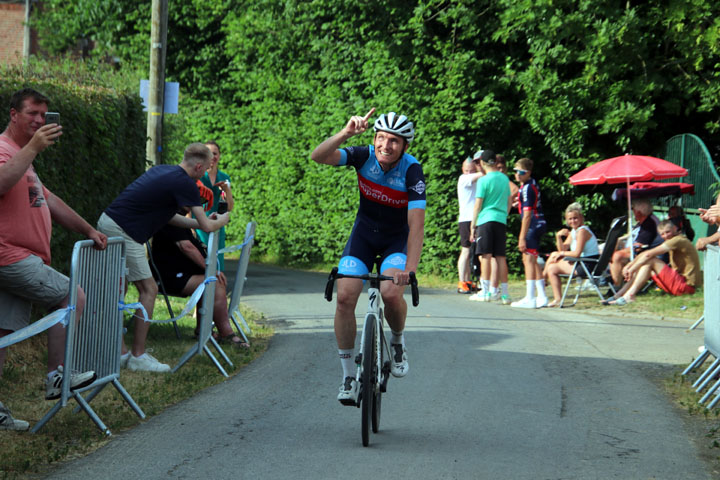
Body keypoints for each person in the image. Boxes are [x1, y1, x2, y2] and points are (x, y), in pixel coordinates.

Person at [310, 109, 425, 405]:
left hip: (395, 240)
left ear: (405, 146)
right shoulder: (363, 155)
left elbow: (416, 224)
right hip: (363, 236)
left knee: (390, 292)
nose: (386, 145)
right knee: (346, 297)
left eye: (394, 141)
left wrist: (409, 269)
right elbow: (318, 156)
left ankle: (397, 341)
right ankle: (349, 376)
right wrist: (346, 133)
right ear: (374, 138)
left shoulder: (412, 171)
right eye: (381, 138)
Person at [0, 88, 106, 403]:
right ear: (13, 114)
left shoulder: (23, 156)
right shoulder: (5, 149)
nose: (39, 120)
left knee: (4, 335)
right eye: (32, 113)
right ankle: (57, 376)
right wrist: (32, 148)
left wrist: (87, 228)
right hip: (10, 256)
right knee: (71, 296)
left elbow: (48, 199)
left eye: (44, 115)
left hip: (19, 257)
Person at [97, 143, 230, 372]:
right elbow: (208, 226)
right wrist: (224, 219)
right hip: (125, 231)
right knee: (149, 289)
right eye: (206, 168)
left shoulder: (163, 170)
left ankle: (118, 353)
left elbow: (168, 218)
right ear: (198, 166)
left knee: (118, 289)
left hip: (110, 222)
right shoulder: (186, 183)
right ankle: (138, 356)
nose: (206, 173)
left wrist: (202, 222)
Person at [151, 216, 248, 347]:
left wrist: (207, 220)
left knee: (211, 280)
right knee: (214, 282)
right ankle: (226, 334)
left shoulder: (180, 220)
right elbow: (187, 247)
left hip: (181, 275)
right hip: (168, 278)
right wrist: (211, 270)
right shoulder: (171, 219)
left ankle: (203, 331)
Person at [608, 219, 701, 305]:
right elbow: (646, 254)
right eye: (662, 234)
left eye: (668, 232)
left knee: (651, 261)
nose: (665, 236)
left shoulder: (678, 240)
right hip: (680, 284)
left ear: (675, 228)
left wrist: (632, 268)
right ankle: (620, 295)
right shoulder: (673, 240)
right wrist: (629, 265)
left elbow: (649, 255)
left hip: (687, 287)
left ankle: (628, 296)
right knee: (646, 264)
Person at [469, 150, 512, 303]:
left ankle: (485, 292)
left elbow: (477, 205)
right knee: (500, 257)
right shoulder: (504, 178)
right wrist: (503, 215)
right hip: (500, 220)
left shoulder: (484, 180)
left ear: (483, 163)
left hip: (486, 220)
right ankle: (505, 294)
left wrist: (473, 226)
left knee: (485, 256)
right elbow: (509, 201)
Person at [542, 203, 600, 307]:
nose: (572, 221)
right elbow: (563, 248)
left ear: (581, 218)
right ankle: (547, 286)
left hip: (586, 265)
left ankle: (543, 282)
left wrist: (561, 253)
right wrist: (558, 237)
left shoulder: (582, 231)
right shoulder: (574, 231)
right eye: (570, 219)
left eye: (575, 218)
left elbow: (577, 253)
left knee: (552, 266)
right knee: (553, 261)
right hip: (580, 262)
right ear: (566, 220)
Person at [511, 157, 548, 308]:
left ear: (528, 172)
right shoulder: (529, 185)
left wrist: (521, 237)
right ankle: (542, 296)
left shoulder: (526, 187)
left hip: (532, 224)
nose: (518, 175)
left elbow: (527, 214)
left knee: (528, 260)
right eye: (515, 171)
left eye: (521, 172)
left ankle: (530, 297)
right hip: (538, 222)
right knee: (532, 258)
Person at [195, 141, 234, 272]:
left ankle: (217, 289)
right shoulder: (197, 176)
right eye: (209, 153)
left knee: (217, 260)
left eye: (215, 153)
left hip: (217, 224)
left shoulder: (224, 177)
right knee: (202, 258)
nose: (212, 156)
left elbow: (229, 207)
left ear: (219, 156)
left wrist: (226, 190)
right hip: (199, 223)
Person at [609, 198, 662, 289]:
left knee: (617, 256)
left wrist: (621, 251)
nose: (632, 211)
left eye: (633, 209)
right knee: (611, 251)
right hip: (643, 253)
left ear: (639, 212)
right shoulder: (645, 221)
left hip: (647, 255)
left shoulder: (649, 224)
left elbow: (638, 246)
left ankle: (616, 288)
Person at [456, 156, 484, 293]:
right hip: (466, 219)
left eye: (471, 170)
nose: (469, 173)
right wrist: (484, 169)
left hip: (476, 218)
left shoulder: (477, 179)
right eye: (466, 170)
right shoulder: (463, 179)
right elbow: (479, 175)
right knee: (466, 250)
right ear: (462, 169)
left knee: (473, 252)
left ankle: (467, 281)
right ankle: (462, 282)